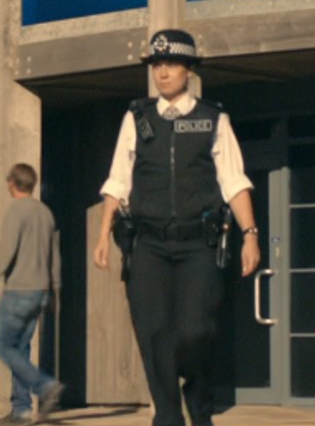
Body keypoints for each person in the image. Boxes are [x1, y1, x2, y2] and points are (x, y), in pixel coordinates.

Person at [93, 29, 260, 426]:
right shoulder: (137, 118)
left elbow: (234, 181)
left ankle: (198, 400)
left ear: (189, 70)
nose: (162, 72)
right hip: (148, 245)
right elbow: (118, 180)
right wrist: (103, 234)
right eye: (156, 65)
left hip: (197, 246)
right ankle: (168, 417)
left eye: (170, 65)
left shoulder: (212, 118)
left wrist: (250, 235)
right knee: (153, 335)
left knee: (195, 331)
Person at [0, 163, 65, 424]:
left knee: (5, 348)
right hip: (40, 292)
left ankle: (45, 386)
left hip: (18, 291)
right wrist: (55, 292)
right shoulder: (45, 213)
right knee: (21, 350)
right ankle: (22, 410)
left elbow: (6, 252)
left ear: (14, 183)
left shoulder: (16, 212)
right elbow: (54, 257)